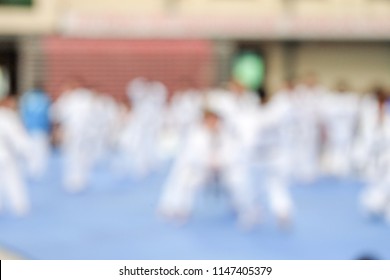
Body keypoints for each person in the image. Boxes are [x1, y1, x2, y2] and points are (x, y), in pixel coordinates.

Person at [157, 108, 260, 229]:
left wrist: (221, 162)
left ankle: (247, 210)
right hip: (203, 171)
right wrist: (207, 162)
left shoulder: (228, 134)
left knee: (239, 180)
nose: (212, 123)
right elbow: (191, 156)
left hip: (225, 169)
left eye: (214, 120)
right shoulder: (196, 135)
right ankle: (181, 209)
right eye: (209, 120)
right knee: (185, 179)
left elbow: (235, 153)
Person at [51, 79, 96, 193]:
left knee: (75, 156)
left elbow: (55, 113)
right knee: (78, 156)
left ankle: (76, 180)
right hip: (80, 132)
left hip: (77, 132)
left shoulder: (72, 98)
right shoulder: (84, 97)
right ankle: (78, 180)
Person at [0, 95, 33, 216]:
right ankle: (19, 205)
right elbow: (17, 138)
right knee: (13, 179)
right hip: (6, 155)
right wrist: (26, 152)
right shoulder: (8, 117)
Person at [19, 82, 51, 178]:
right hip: (41, 128)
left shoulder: (26, 97)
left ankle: (31, 169)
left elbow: (22, 113)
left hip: (29, 127)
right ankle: (39, 170)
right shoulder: (45, 98)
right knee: (40, 151)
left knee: (30, 149)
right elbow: (49, 115)